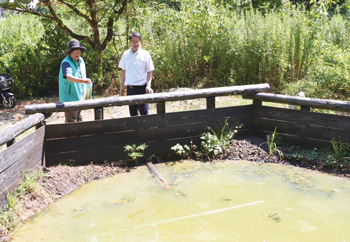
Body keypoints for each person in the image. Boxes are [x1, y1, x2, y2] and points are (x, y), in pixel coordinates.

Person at [118, 32, 154, 116]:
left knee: (144, 114)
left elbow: (149, 71)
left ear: (140, 42)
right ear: (130, 42)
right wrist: (122, 86)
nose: (135, 43)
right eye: (133, 41)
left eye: (137, 41)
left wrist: (148, 85)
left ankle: (145, 129)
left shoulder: (145, 54)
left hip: (142, 88)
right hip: (130, 89)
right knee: (133, 115)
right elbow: (123, 71)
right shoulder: (126, 54)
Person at [59, 39, 92, 123]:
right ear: (70, 52)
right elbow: (69, 77)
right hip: (69, 98)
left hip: (80, 96)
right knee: (71, 121)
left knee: (79, 119)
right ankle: (70, 136)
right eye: (75, 52)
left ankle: (80, 136)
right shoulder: (66, 62)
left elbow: (82, 75)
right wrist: (83, 81)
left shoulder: (81, 61)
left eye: (79, 51)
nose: (78, 54)